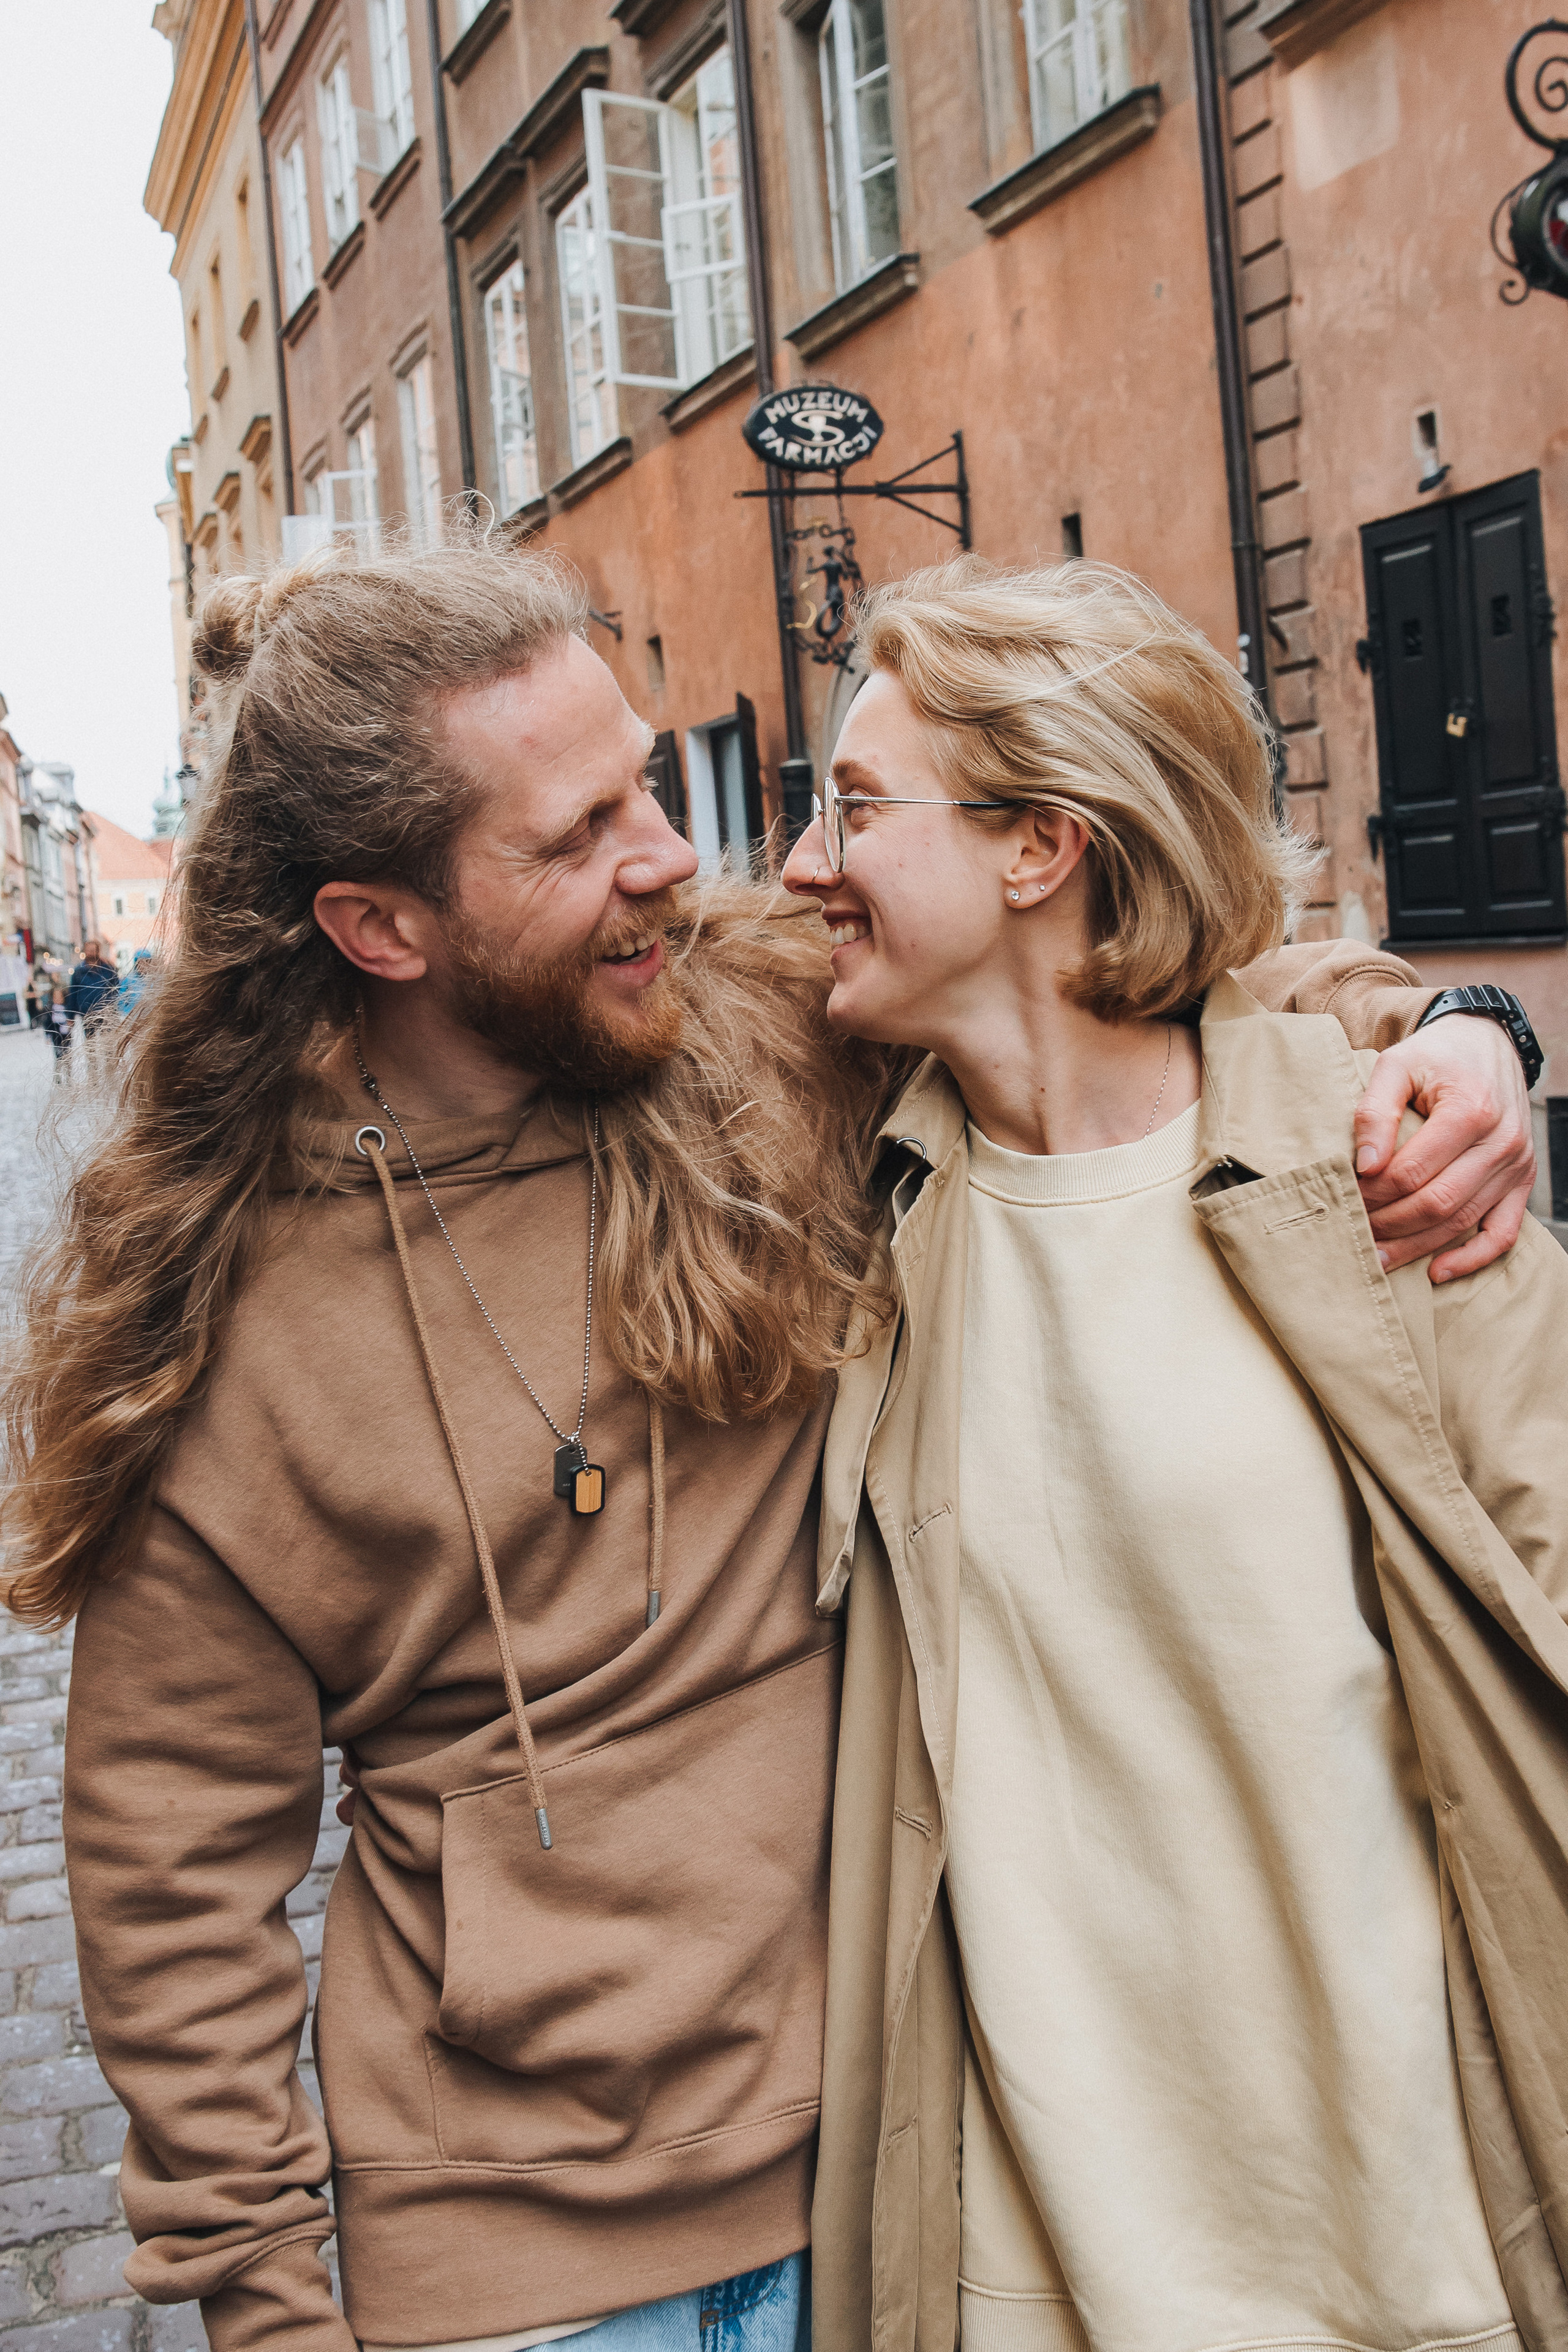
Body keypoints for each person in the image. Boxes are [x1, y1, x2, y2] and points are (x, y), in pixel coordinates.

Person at [0, 540, 1537, 2352]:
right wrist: (272, 2310)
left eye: (643, 780)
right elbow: (174, 1893)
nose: (668, 854)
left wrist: (1455, 1029)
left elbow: (1148, 970)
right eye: (576, 835)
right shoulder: (219, 1325)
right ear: (382, 926)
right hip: (514, 2272)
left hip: (906, 2176)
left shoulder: (760, 1025)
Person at [777, 559, 1568, 2352]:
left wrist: (1462, 1028)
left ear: (1039, 845)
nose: (801, 865)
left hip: (1417, 2260)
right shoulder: (869, 1195)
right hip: (1033, 2283)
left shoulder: (1386, 1181)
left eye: (851, 806)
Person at [118, 948, 156, 1016]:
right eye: (140, 962)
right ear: (136, 963)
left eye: (147, 962)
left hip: (149, 1018)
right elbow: (121, 1001)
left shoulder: (155, 980)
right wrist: (126, 1014)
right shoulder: (128, 979)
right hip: (131, 1017)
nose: (143, 965)